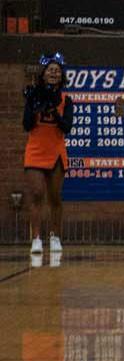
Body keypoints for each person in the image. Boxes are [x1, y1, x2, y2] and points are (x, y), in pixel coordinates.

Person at [23, 53, 73, 256]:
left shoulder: (66, 100)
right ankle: (36, 238)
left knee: (54, 197)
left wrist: (54, 111)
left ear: (61, 75)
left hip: (56, 152)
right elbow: (27, 124)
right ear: (43, 74)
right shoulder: (33, 95)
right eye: (50, 70)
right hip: (35, 151)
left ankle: (55, 237)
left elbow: (66, 127)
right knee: (36, 194)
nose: (54, 72)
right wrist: (36, 107)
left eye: (57, 70)